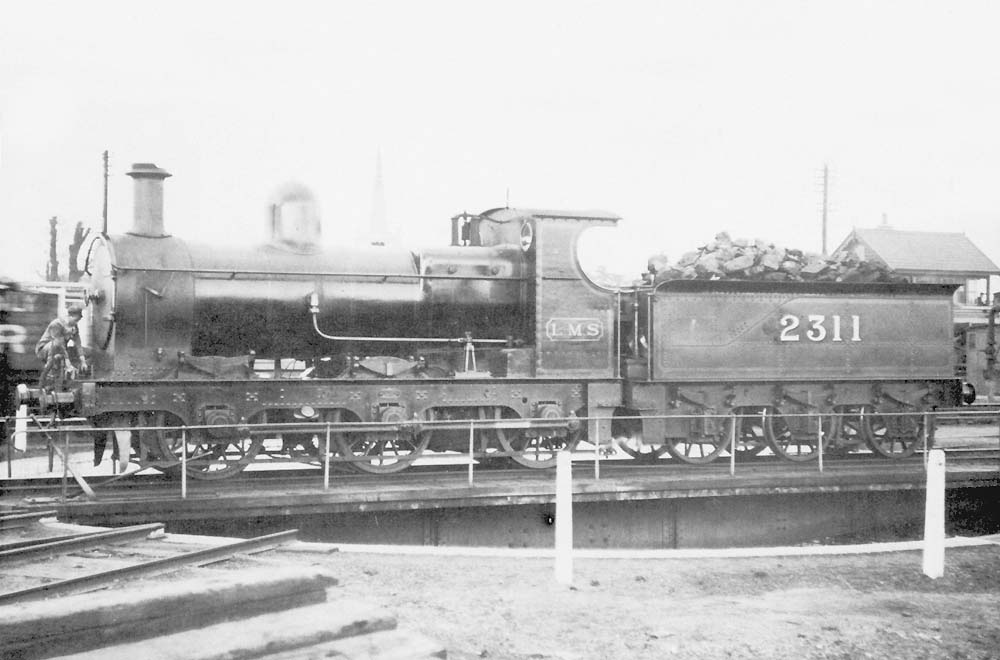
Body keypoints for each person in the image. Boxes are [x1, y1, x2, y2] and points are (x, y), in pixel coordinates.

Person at [35, 304, 88, 386]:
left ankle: (72, 376)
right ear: (69, 316)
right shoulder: (56, 324)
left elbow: (78, 344)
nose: (76, 322)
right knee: (56, 345)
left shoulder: (74, 326)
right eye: (75, 320)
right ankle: (50, 375)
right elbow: (59, 344)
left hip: (61, 349)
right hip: (44, 350)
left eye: (78, 321)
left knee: (88, 351)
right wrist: (68, 363)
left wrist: (83, 361)